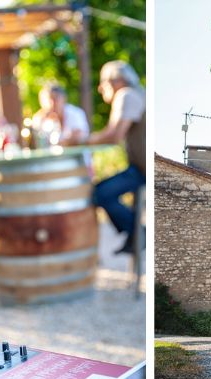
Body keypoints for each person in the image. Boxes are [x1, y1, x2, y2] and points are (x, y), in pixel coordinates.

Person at [84, 60, 145, 253]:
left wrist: (82, 140)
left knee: (99, 193)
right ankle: (135, 235)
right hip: (140, 168)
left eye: (103, 83)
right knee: (100, 191)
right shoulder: (135, 94)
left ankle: (139, 233)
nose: (100, 89)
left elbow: (114, 136)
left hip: (142, 170)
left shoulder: (126, 95)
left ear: (117, 81)